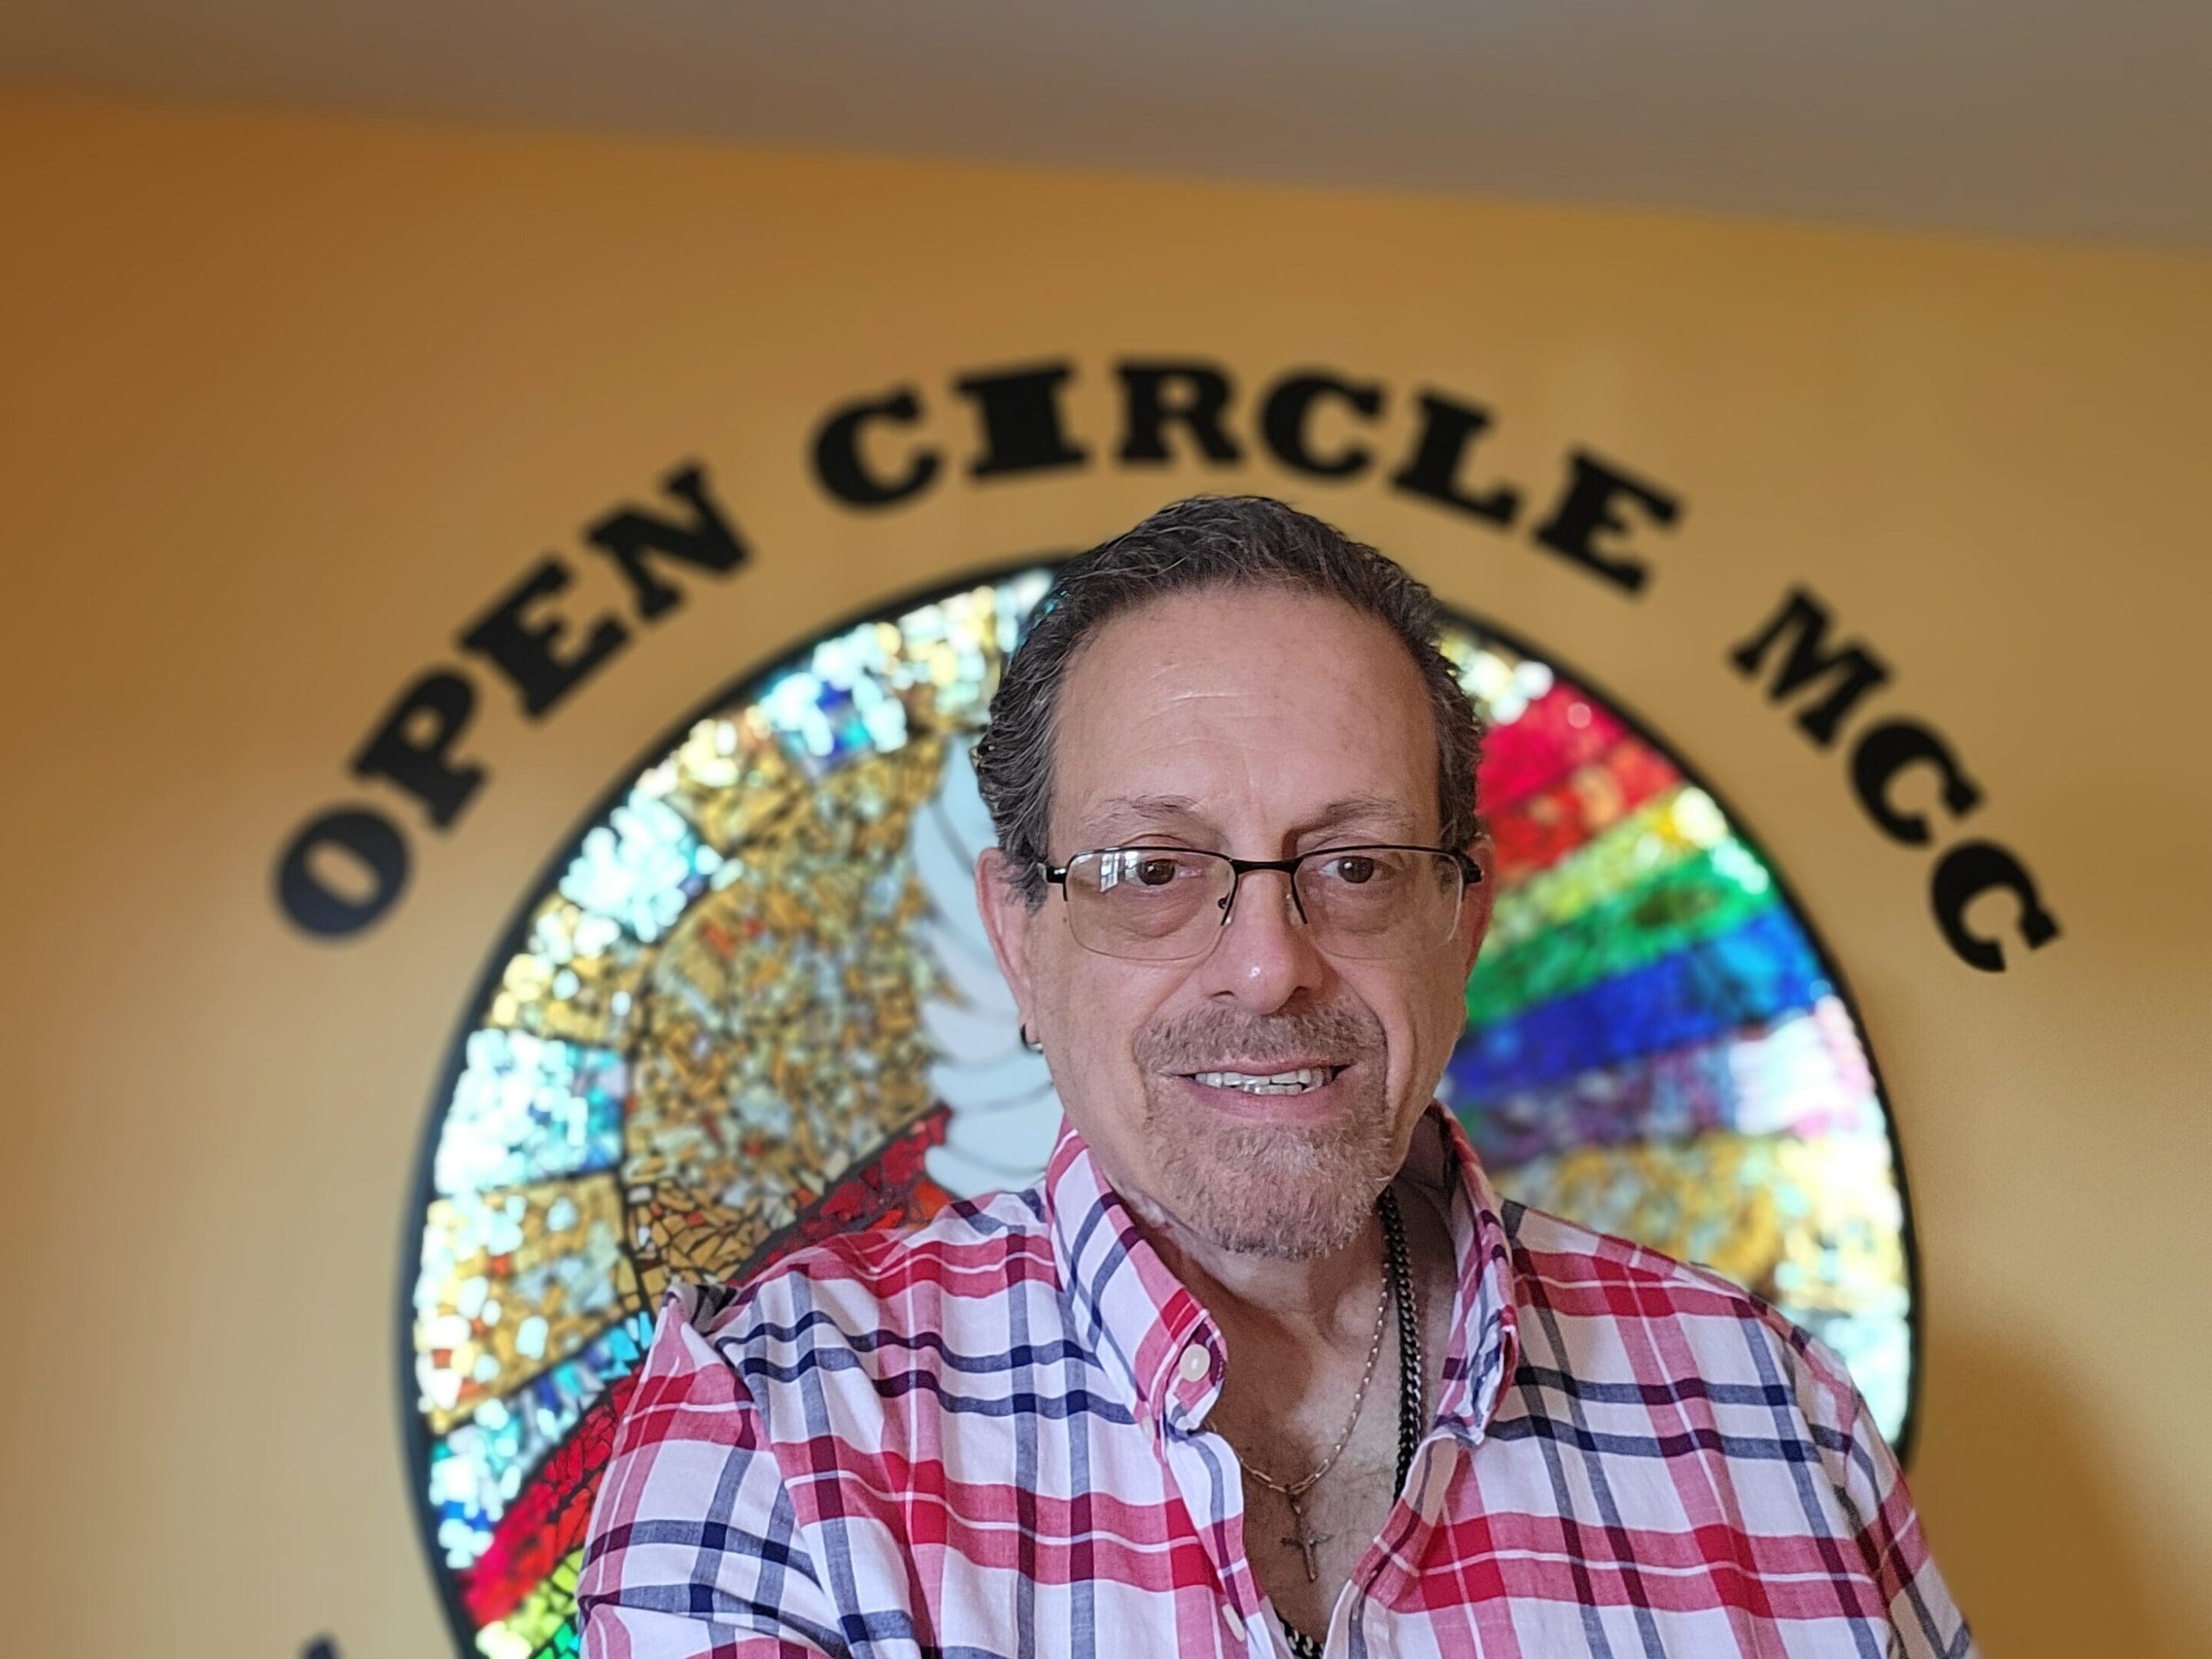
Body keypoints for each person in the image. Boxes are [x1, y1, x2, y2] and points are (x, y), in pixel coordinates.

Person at [578, 495, 1974, 1657]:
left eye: (1356, 867)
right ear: (1020, 937)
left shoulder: (1770, 1414)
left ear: (1462, 923)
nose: (1266, 968)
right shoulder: (782, 1419)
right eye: (1153, 871)